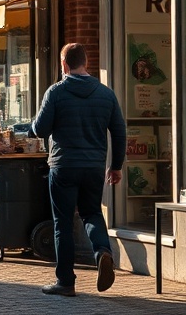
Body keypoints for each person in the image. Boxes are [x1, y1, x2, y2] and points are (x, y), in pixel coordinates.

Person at [30, 42, 126, 297]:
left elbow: (40, 129)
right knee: (92, 213)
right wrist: (115, 166)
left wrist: (32, 125)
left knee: (62, 223)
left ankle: (65, 282)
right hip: (94, 167)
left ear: (64, 64)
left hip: (63, 166)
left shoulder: (56, 92)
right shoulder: (106, 94)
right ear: (86, 62)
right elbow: (119, 131)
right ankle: (103, 251)